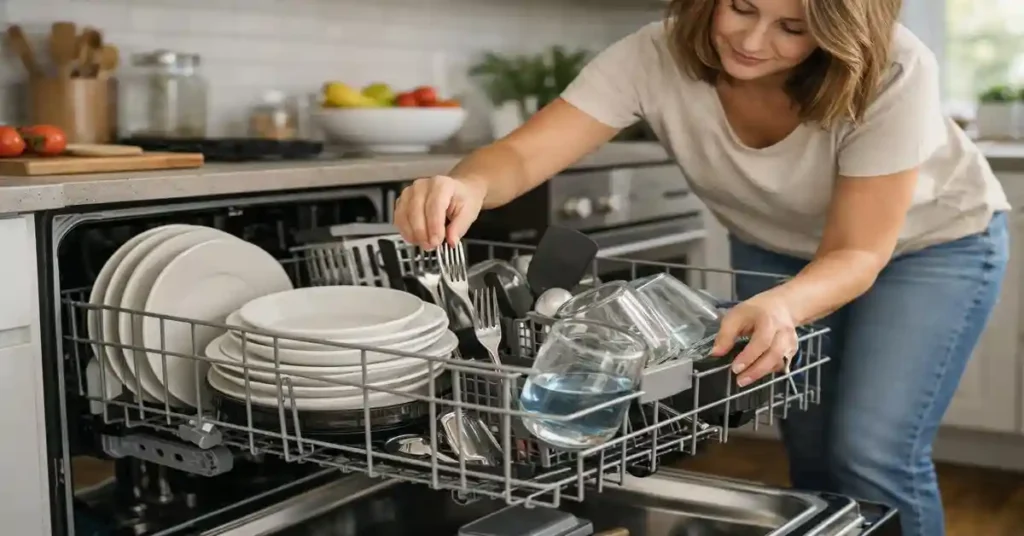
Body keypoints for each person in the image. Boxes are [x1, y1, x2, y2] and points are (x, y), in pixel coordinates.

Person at [393, 0, 1010, 534]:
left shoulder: (894, 67)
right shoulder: (653, 54)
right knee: (813, 446)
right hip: (772, 246)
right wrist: (467, 184)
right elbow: (525, 153)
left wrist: (784, 305)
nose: (751, 39)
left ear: (837, 31)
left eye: (791, 28)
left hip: (930, 246)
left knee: (872, 452)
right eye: (741, 7)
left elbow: (856, 253)